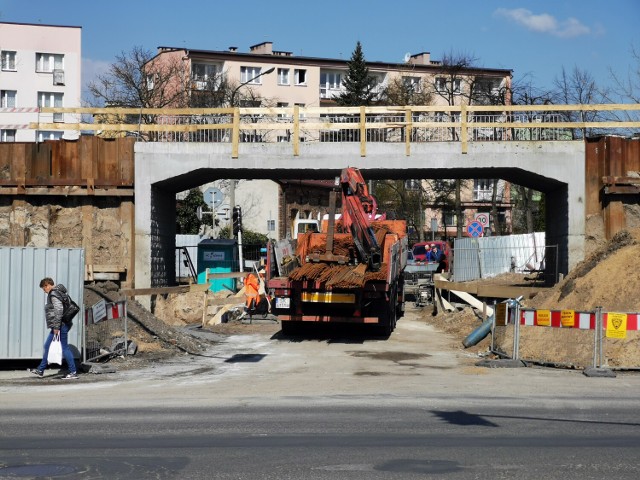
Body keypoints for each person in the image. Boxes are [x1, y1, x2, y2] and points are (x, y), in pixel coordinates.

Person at [29, 278, 78, 379]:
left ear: (47, 285)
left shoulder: (54, 294)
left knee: (64, 348)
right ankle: (40, 370)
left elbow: (59, 310)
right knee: (47, 345)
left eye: (44, 289)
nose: (44, 291)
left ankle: (73, 372)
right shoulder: (61, 292)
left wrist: (56, 326)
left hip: (61, 325)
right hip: (63, 324)